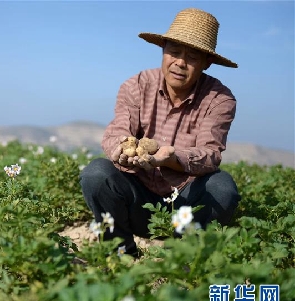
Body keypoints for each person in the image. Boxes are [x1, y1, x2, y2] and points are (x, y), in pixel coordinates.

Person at [80, 8, 241, 257]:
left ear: (207, 63)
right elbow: (117, 132)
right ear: (163, 49)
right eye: (174, 52)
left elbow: (210, 155)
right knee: (96, 174)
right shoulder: (137, 85)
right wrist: (122, 150)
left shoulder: (219, 99)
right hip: (138, 202)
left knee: (221, 188)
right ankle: (120, 251)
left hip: (185, 207)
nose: (180, 63)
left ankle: (183, 259)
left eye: (192, 57)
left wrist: (172, 158)